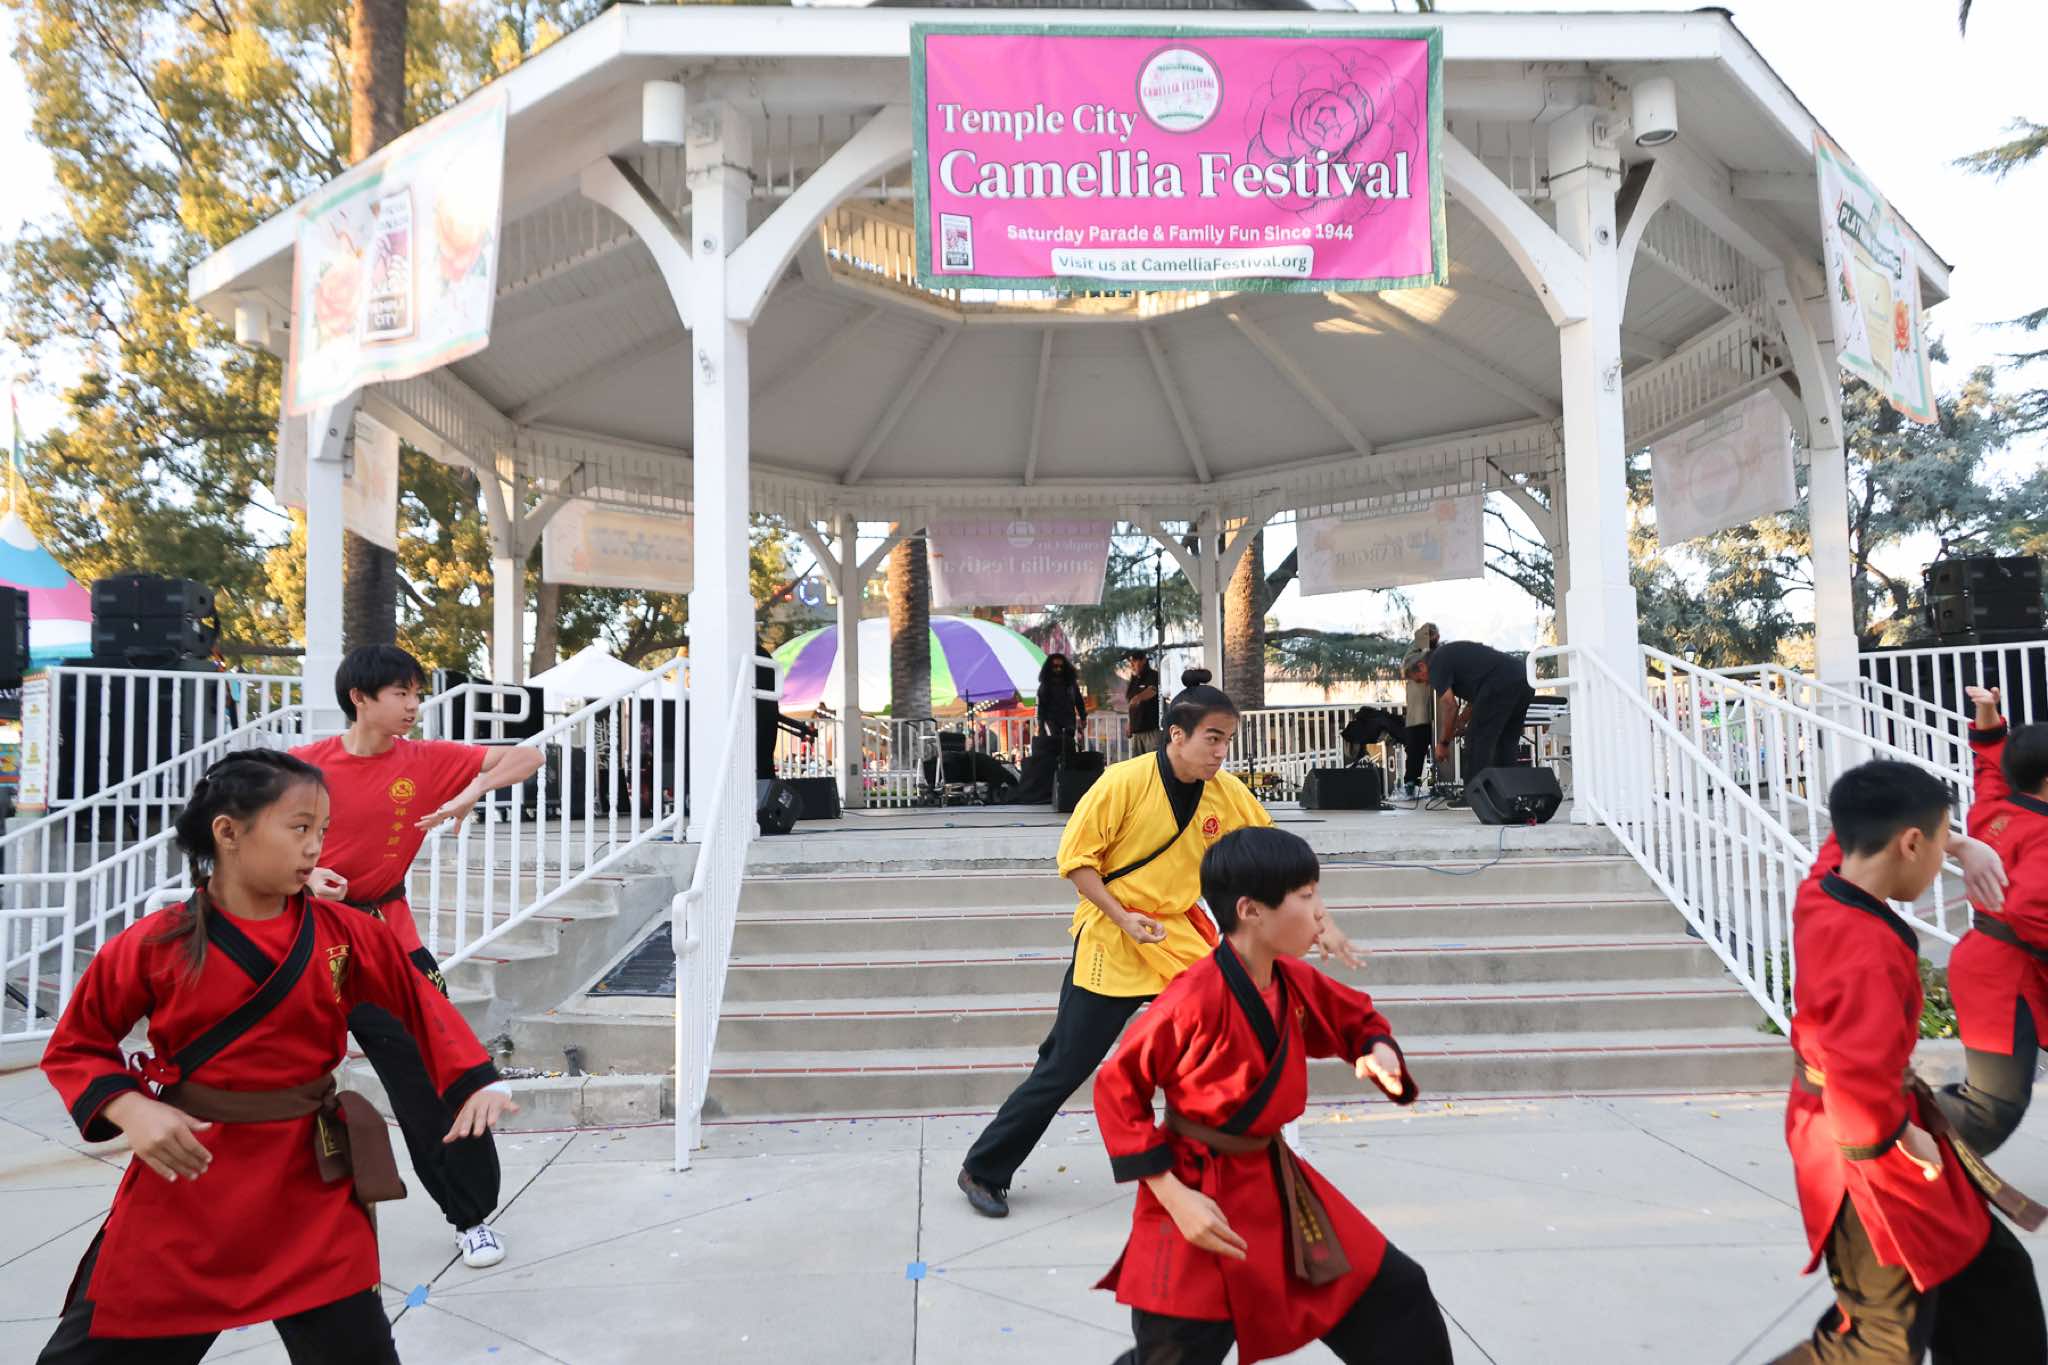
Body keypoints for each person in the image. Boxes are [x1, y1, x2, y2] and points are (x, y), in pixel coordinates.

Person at [36, 750, 515, 1364]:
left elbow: (419, 1002)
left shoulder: (348, 933)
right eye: (299, 828)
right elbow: (77, 1043)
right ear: (228, 832)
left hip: (310, 1184)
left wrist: (473, 1079)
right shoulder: (155, 943)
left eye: (322, 830)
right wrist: (131, 1109)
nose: (316, 847)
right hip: (192, 1179)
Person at [958, 674, 1362, 1219]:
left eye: (1227, 740)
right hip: (1113, 936)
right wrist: (1123, 917)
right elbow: (1077, 863)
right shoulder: (1121, 784)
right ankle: (983, 1169)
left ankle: (1230, 1169)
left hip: (1178, 937)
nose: (1221, 752)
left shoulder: (1228, 793)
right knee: (1065, 1065)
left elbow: (1279, 862)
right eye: (1212, 738)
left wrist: (1321, 922)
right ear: (1176, 735)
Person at [1094, 826, 1451, 1365]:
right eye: (1305, 896)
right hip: (1198, 1189)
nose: (1320, 913)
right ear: (1251, 911)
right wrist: (1173, 1196)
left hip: (1274, 1183)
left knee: (1396, 1297)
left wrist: (1378, 1052)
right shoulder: (1189, 1001)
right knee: (1176, 1349)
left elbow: (1354, 1019)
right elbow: (1117, 1086)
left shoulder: (1290, 979)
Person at [1770, 760, 2046, 1364]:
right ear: (1912, 843)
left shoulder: (1824, 885)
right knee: (1878, 1342)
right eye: (1942, 842)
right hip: (1862, 1151)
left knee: (1994, 1285)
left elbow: (1854, 830)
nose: (1944, 858)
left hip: (1872, 1123)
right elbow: (1853, 1080)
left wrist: (1963, 844)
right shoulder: (1864, 951)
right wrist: (1899, 1141)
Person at [294, 646, 544, 1270]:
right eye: (400, 694)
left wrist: (474, 789)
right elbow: (245, 832)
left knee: (436, 1076)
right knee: (278, 1079)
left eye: (416, 693)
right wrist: (306, 874)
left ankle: (470, 1218)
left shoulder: (425, 759)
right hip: (306, 940)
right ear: (359, 698)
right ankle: (279, 1220)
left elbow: (530, 754)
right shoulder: (304, 766)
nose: (413, 706)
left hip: (388, 940)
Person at [1935, 685, 2048, 1155]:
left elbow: (1989, 768)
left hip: (1991, 962)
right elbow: (2029, 908)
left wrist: (1988, 716)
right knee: (1991, 1107)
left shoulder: (1996, 810)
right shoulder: (2043, 833)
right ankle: (1892, 1145)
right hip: (2006, 977)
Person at [1404, 639, 1534, 778]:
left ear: (1422, 666)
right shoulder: (1448, 656)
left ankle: (1475, 790)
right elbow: (1478, 698)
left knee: (1476, 740)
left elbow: (1450, 706)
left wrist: (1443, 744)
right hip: (1524, 678)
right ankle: (1506, 789)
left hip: (1500, 682)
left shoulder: (1435, 664)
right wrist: (1461, 721)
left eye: (1419, 680)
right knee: (1506, 741)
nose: (1425, 684)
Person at [1399, 622, 1440, 797]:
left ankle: (1436, 784)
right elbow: (1407, 669)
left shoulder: (1436, 652)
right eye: (1433, 636)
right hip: (1418, 716)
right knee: (1416, 753)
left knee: (1437, 755)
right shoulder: (1413, 653)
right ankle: (1411, 786)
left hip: (1435, 715)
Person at [1125, 651, 1162, 755]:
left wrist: (1138, 698)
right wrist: (1129, 723)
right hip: (1136, 731)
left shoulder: (1153, 675)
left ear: (1143, 660)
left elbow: (1153, 690)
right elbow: (1131, 704)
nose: (1132, 665)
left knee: (1153, 759)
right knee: (1137, 762)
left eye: (1134, 661)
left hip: (1151, 730)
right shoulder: (1134, 679)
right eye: (1130, 662)